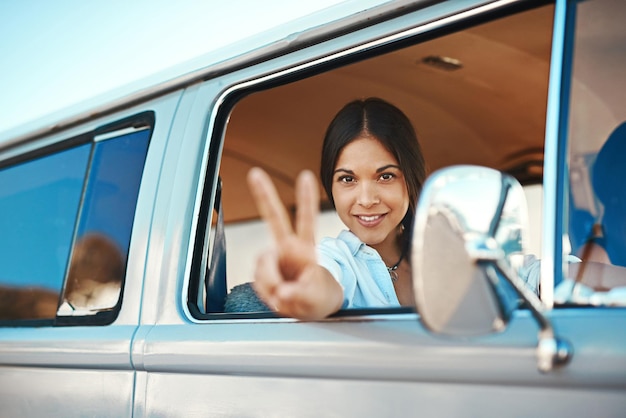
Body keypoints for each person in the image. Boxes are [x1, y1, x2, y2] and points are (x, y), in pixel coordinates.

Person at [246, 97, 426, 320]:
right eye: (348, 179)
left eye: (385, 176)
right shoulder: (336, 258)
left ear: (410, 179)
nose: (367, 200)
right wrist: (307, 288)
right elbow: (323, 286)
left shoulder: (443, 254)